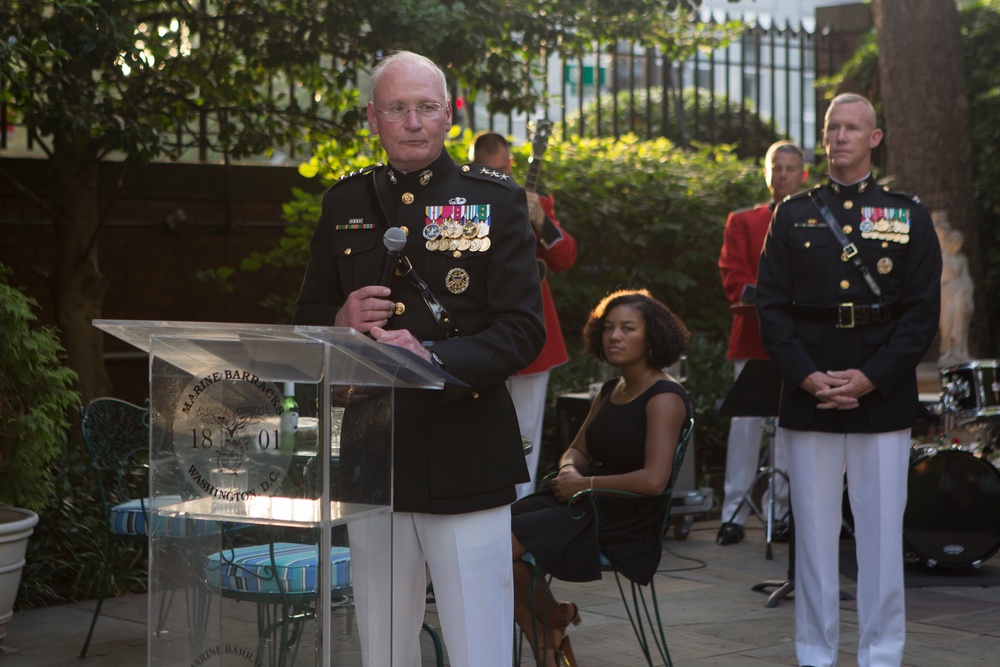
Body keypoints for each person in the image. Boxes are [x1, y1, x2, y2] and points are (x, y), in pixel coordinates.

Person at [293, 51, 545, 667]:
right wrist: (339, 322)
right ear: (373, 119)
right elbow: (306, 320)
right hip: (373, 451)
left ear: (450, 117)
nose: (413, 121)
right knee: (382, 644)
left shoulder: (496, 202)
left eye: (427, 107)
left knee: (478, 644)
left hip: (466, 450)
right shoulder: (343, 201)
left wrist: (431, 355)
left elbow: (522, 331)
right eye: (398, 108)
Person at [756, 93, 941, 667]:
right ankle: (815, 653)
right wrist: (808, 377)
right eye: (832, 127)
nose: (840, 137)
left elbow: (920, 315)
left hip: (879, 391)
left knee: (882, 537)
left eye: (852, 128)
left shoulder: (905, 213)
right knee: (812, 535)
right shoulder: (792, 214)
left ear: (874, 139)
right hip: (810, 388)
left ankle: (881, 653)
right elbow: (771, 308)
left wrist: (870, 378)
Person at [510, 289, 692, 667]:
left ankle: (553, 628)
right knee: (492, 534)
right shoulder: (612, 389)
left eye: (628, 328)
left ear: (652, 336)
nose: (614, 337)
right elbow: (577, 449)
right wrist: (569, 470)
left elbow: (655, 481)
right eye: (608, 328)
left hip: (624, 516)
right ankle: (549, 637)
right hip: (584, 498)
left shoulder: (665, 396)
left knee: (503, 545)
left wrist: (585, 484)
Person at [472, 131, 578, 499]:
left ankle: (521, 515)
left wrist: (541, 220)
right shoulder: (467, 203)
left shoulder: (536, 200)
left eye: (503, 168)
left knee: (528, 430)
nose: (499, 175)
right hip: (482, 331)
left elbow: (564, 258)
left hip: (535, 333)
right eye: (490, 169)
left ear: (512, 164)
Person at [715, 140, 807, 546]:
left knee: (790, 427)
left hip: (800, 341)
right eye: (777, 167)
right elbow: (732, 275)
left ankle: (783, 513)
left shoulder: (814, 219)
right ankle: (733, 513)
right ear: (766, 173)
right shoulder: (742, 221)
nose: (783, 174)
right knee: (745, 426)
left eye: (790, 168)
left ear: (803, 174)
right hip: (752, 336)